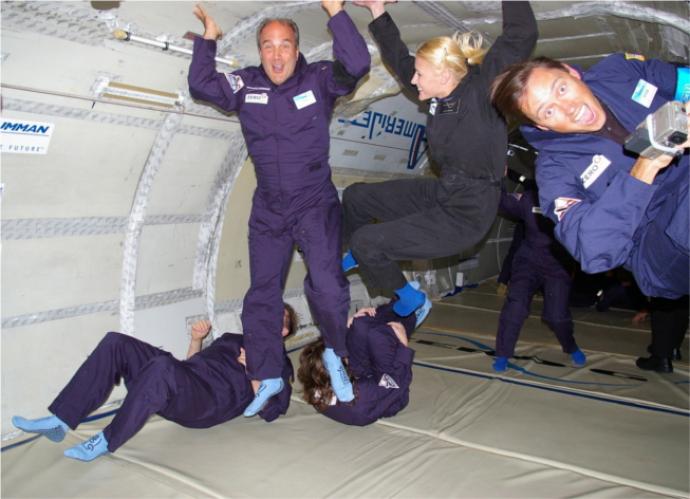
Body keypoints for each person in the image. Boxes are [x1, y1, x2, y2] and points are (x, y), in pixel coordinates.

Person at [188, 1, 371, 412]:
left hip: (314, 202)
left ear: (297, 48)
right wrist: (209, 39)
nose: (276, 54)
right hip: (269, 206)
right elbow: (201, 85)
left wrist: (335, 11)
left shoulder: (320, 78)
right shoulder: (245, 85)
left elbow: (358, 64)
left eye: (284, 45)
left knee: (325, 284)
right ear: (260, 50)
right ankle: (268, 372)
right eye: (267, 46)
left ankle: (336, 355)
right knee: (261, 294)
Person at [341, 0, 538, 327]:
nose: (414, 79)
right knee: (356, 196)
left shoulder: (483, 92)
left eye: (421, 74)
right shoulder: (437, 95)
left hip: (469, 212)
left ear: (445, 75)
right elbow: (399, 60)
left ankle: (408, 296)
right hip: (446, 189)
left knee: (368, 242)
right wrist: (378, 10)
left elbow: (522, 33)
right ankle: (353, 253)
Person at [490, 55, 689, 302]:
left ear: (572, 72)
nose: (569, 108)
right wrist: (642, 170)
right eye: (549, 111)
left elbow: (682, 81)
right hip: (657, 247)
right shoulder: (554, 170)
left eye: (561, 89)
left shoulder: (618, 71)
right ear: (542, 126)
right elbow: (594, 251)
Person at [11, 307, 296, 462]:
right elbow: (193, 363)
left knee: (162, 368)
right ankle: (60, 420)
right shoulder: (233, 338)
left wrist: (253, 372)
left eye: (274, 319)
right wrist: (196, 340)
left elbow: (270, 412)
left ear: (283, 331)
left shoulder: (280, 366)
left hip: (207, 404)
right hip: (187, 379)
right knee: (116, 342)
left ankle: (107, 440)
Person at [492, 188, 585, 372]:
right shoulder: (530, 198)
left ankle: (571, 345)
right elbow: (501, 199)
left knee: (556, 316)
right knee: (516, 306)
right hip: (528, 260)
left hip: (558, 264)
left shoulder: (576, 199)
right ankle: (503, 353)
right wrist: (493, 178)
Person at [298, 302, 416, 426]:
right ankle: (411, 318)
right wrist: (403, 345)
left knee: (359, 325)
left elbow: (327, 355)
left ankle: (398, 305)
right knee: (380, 336)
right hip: (390, 393)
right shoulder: (362, 394)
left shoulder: (316, 387)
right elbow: (397, 382)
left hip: (357, 378)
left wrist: (347, 327)